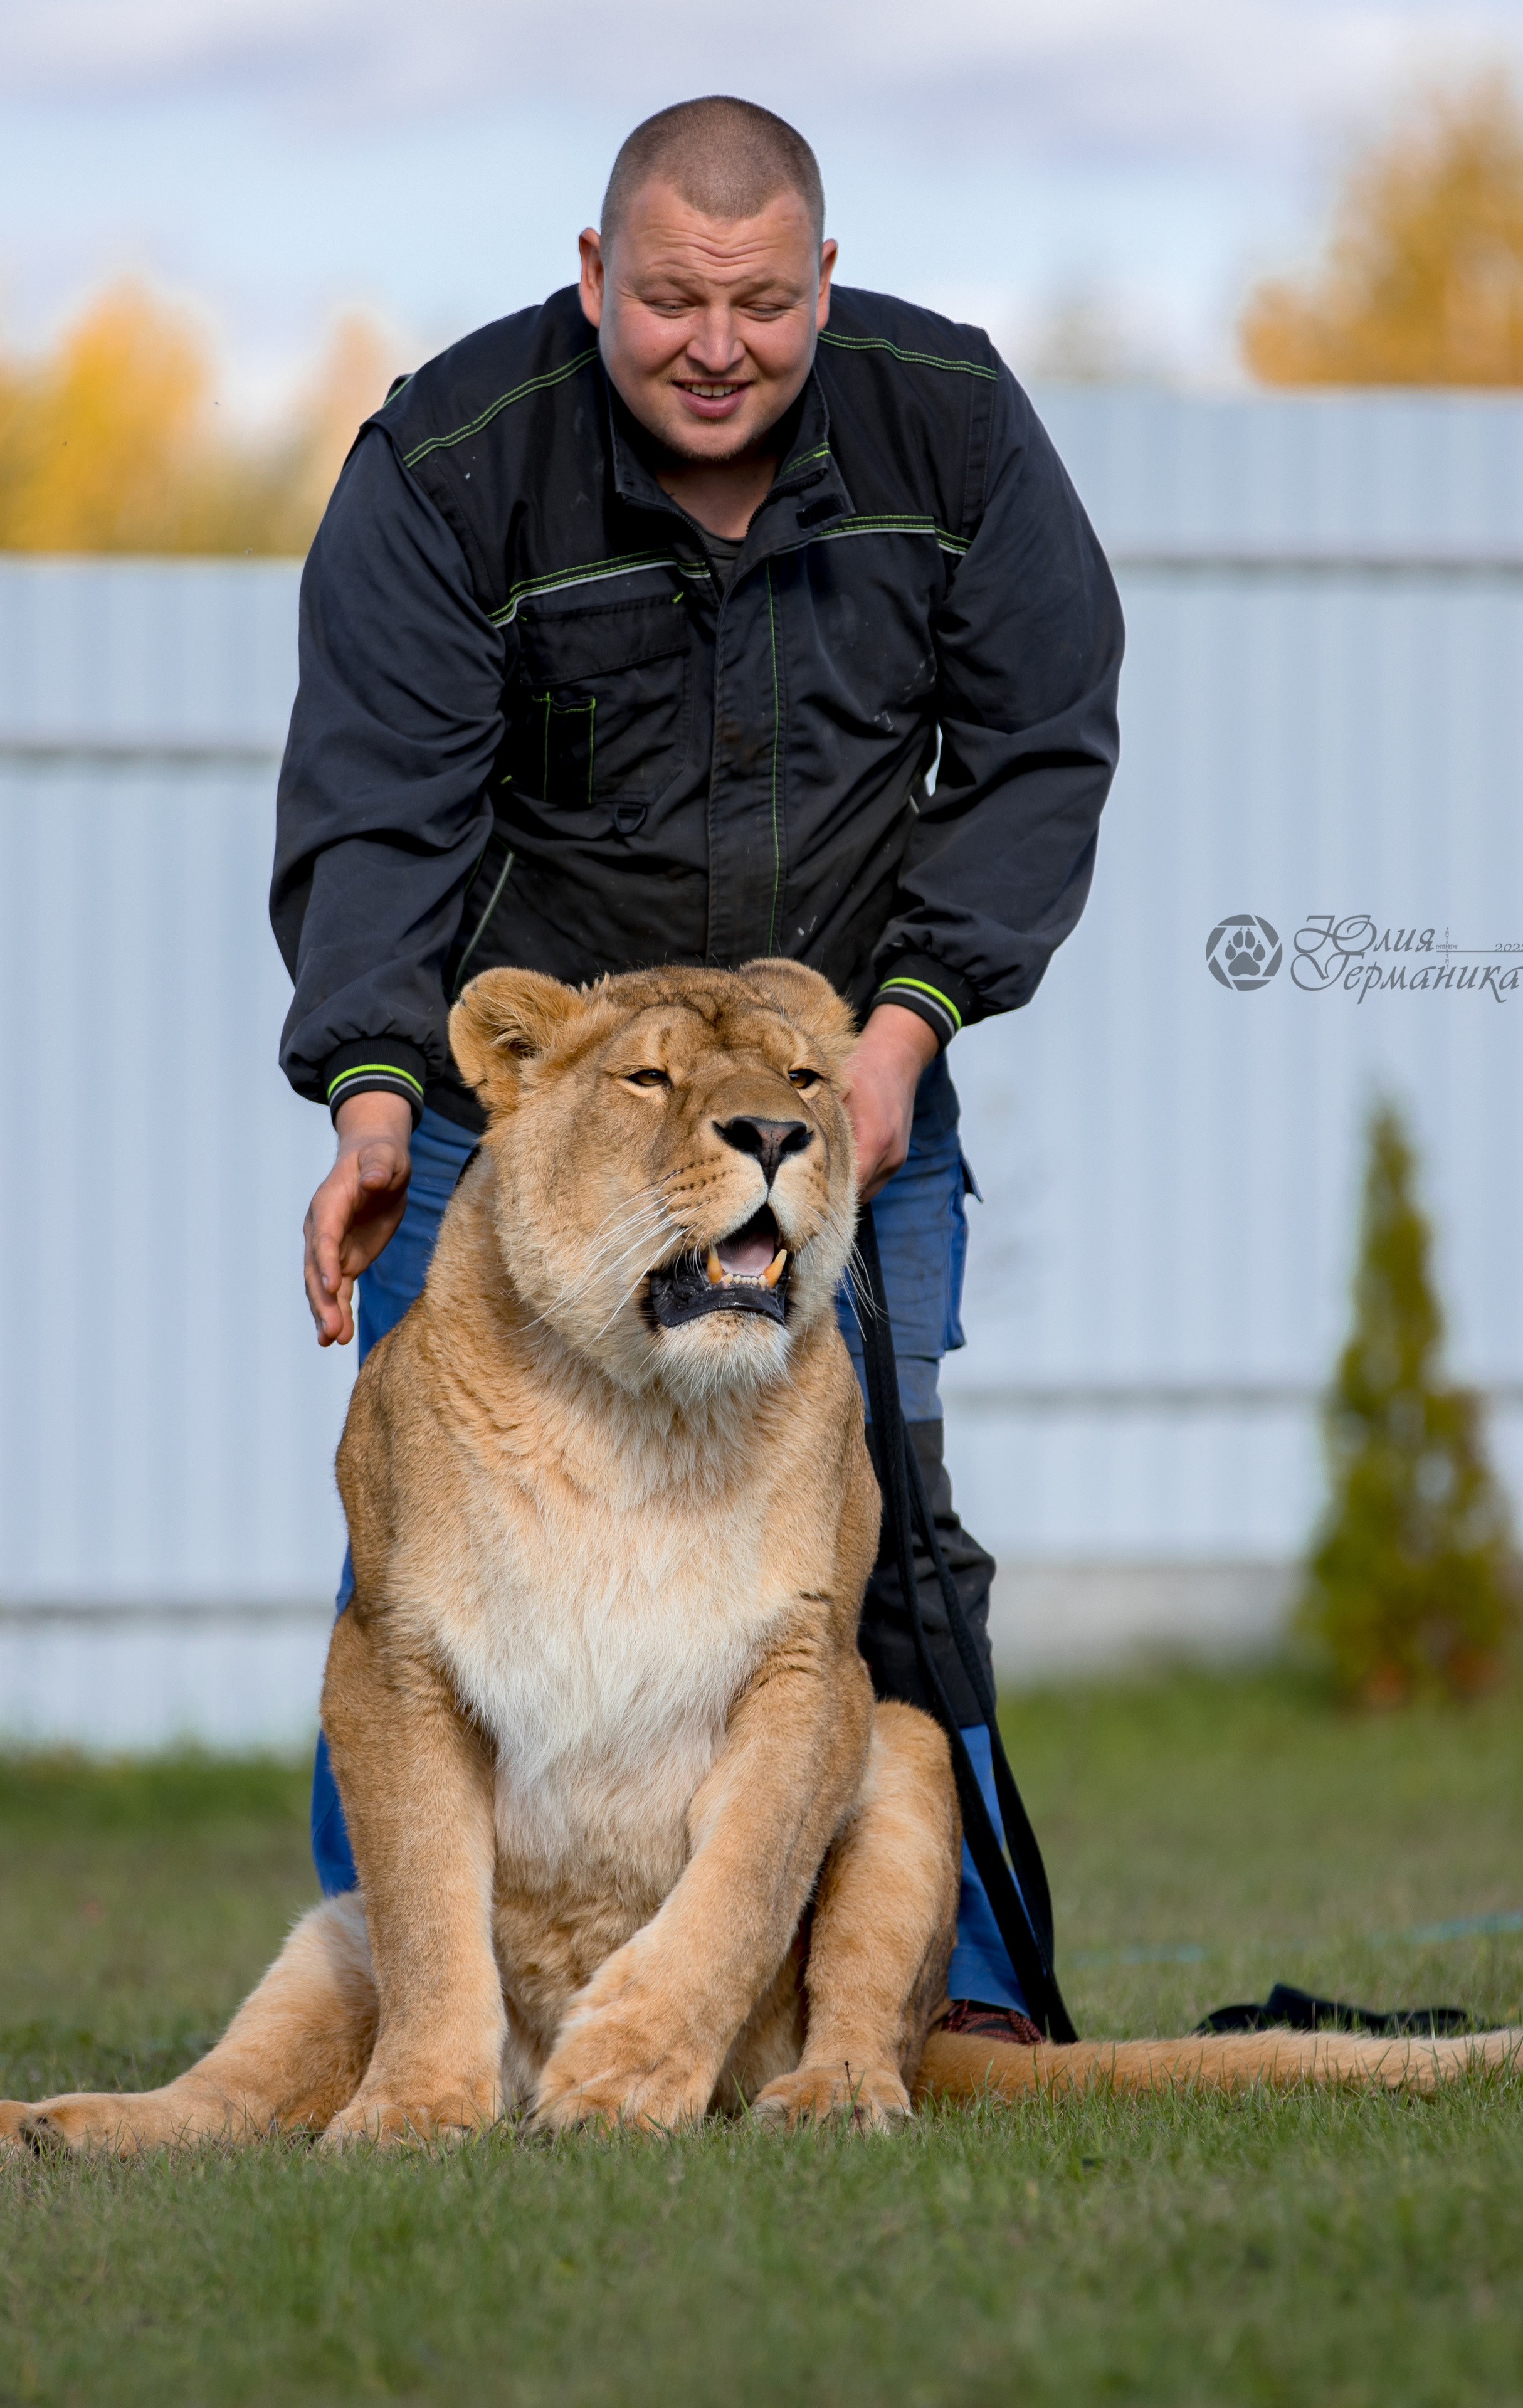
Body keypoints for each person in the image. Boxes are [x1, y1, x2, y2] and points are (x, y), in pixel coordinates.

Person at [271, 95, 1122, 2044]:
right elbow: (375, 807)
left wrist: (903, 1035)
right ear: (594, 282)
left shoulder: (957, 427)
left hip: (847, 1099)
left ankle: (953, 1999)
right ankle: (418, 2020)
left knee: (880, 1543)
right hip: (529, 1134)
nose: (715, 344)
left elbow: (1039, 746)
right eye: (668, 299)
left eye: (759, 301)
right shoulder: (450, 461)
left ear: (825, 281)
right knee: (414, 1586)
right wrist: (377, 1104)